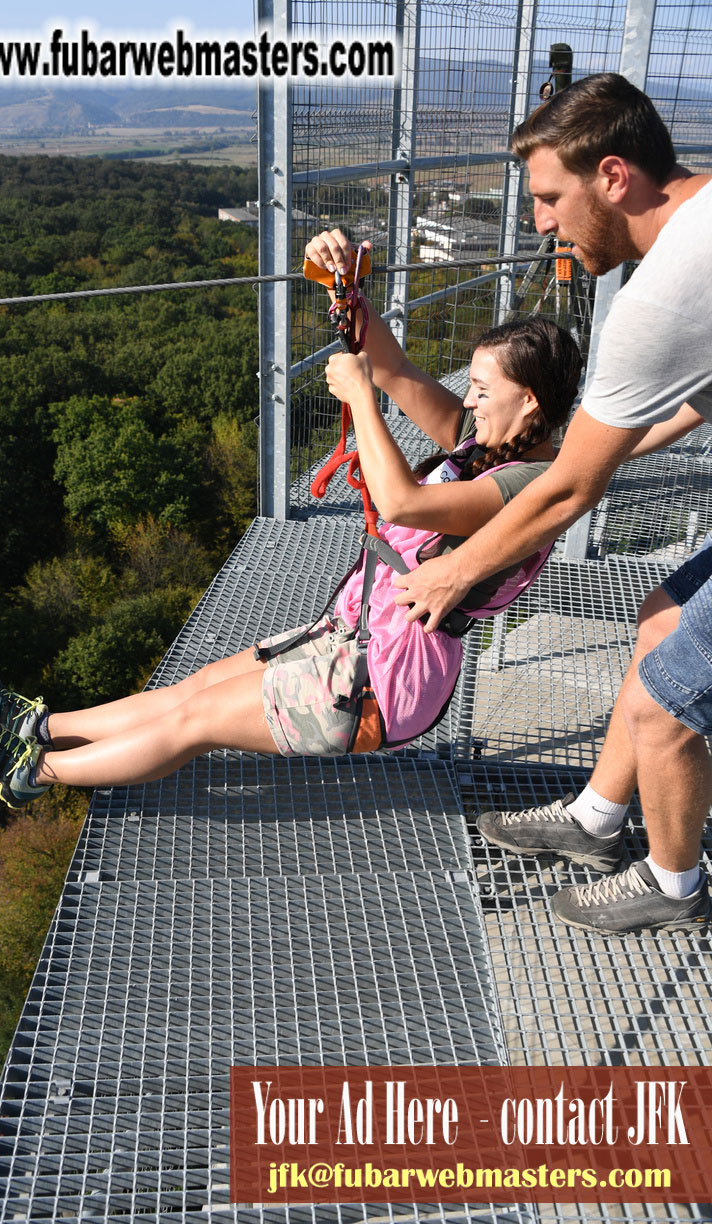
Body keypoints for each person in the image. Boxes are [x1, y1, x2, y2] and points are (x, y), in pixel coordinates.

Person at [0, 246, 582, 812]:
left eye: (480, 389)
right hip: (355, 636)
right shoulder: (485, 448)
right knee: (198, 688)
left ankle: (35, 771)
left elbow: (401, 503)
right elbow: (393, 368)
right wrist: (347, 290)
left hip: (384, 682)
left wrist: (363, 403)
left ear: (529, 401)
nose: (468, 401)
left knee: (198, 720)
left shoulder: (526, 485)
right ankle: (42, 726)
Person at [392, 72, 712, 936]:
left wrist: (453, 573)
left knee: (665, 696)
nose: (539, 223)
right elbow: (689, 400)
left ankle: (676, 887)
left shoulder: (661, 296)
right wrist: (593, 450)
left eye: (547, 197)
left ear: (614, 176)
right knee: (661, 620)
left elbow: (570, 488)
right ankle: (596, 822)